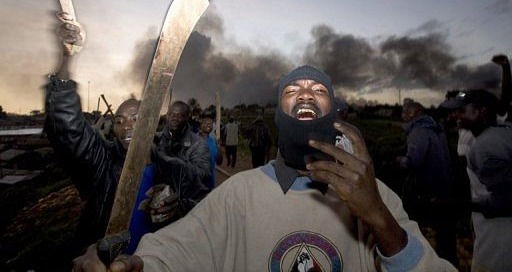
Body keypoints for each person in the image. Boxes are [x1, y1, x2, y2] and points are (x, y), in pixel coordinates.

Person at [73, 65, 455, 271]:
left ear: (336, 113)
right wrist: (138, 264)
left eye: (318, 90)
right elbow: (175, 250)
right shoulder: (238, 194)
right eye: (293, 90)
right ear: (277, 114)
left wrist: (378, 217)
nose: (306, 93)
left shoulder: (377, 195)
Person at [45, 14, 211, 256]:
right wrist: (67, 61)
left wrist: (179, 209)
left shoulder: (172, 168)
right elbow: (68, 126)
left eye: (136, 119)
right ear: (113, 128)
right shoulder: (101, 162)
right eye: (120, 121)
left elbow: (203, 209)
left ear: (151, 124)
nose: (127, 127)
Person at [441, 89, 512, 271]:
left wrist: (457, 204)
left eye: (462, 110)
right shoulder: (504, 132)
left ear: (481, 111)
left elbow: (505, 201)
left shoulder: (483, 147)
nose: (456, 114)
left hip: (498, 239)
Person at [395, 102, 458, 266]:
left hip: (427, 191)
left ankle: (421, 264)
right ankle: (449, 265)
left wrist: (401, 160)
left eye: (406, 111)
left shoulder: (418, 132)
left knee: (416, 229)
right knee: (445, 235)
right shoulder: (436, 129)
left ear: (415, 113)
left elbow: (413, 161)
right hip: (444, 189)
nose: (403, 114)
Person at [198, 112, 219, 189]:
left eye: (210, 123)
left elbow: (219, 161)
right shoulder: (193, 140)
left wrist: (218, 147)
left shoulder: (213, 141)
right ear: (201, 123)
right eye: (206, 122)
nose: (208, 125)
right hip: (197, 182)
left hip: (211, 181)